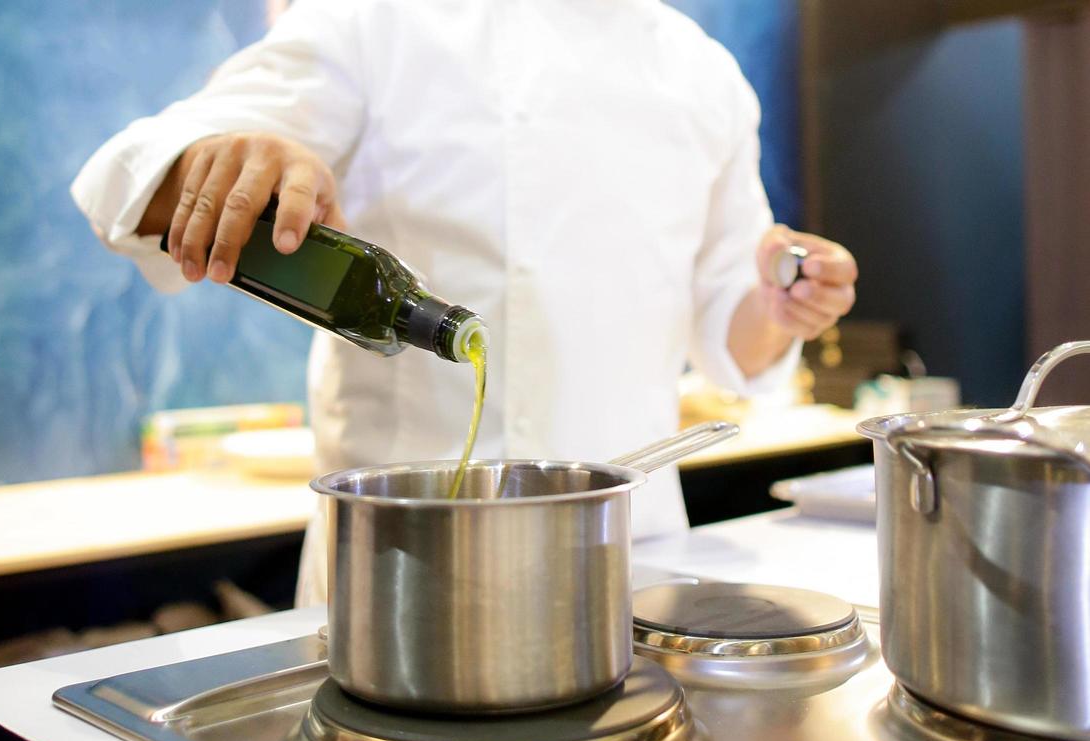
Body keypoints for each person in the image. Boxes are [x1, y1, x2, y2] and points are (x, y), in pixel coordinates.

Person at [72, 0, 857, 607]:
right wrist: (222, 160)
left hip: (633, 571)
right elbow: (129, 180)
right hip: (400, 581)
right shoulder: (380, 19)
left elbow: (732, 336)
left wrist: (784, 304)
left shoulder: (704, 71)